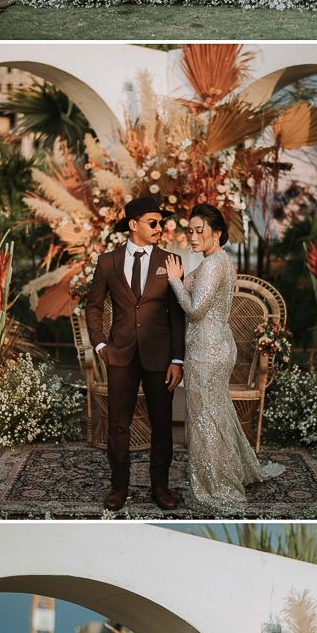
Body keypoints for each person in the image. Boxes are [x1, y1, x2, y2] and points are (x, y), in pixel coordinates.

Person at [165, 203, 284, 510]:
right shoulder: (218, 261)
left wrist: (174, 282)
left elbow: (194, 308)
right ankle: (224, 472)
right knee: (216, 414)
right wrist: (178, 277)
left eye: (198, 230)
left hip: (207, 350)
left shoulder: (213, 265)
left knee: (204, 418)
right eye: (189, 230)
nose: (192, 236)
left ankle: (214, 486)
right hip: (217, 345)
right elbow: (191, 285)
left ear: (216, 233)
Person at [85, 195, 185, 513]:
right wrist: (101, 344)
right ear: (133, 225)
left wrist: (177, 359)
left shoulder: (170, 261)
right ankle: (119, 487)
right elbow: (93, 306)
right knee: (117, 425)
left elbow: (176, 315)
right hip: (120, 354)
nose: (159, 228)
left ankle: (160, 487)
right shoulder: (108, 262)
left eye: (161, 223)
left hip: (160, 357)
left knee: (162, 424)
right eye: (153, 223)